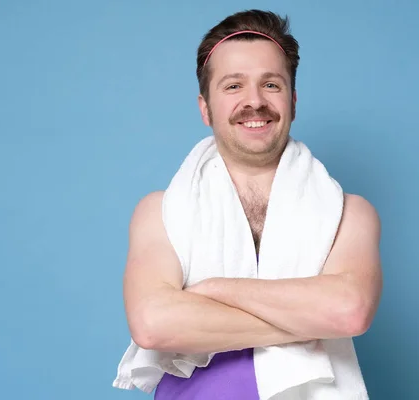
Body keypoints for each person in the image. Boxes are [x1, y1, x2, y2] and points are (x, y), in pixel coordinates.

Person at [121, 9, 382, 399]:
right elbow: (153, 325)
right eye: (233, 86)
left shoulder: (349, 213)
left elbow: (348, 312)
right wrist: (310, 318)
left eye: (271, 85)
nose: (254, 101)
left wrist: (212, 289)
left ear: (293, 101)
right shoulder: (160, 212)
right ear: (205, 107)